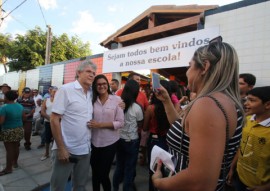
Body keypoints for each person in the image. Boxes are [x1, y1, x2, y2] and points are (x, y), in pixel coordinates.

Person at [152, 36, 244, 191]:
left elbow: (200, 183)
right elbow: (184, 129)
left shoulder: (208, 105)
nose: (187, 72)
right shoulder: (226, 102)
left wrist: (159, 182)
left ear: (205, 67)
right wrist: (167, 101)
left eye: (189, 66)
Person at [50, 60, 96, 191]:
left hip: (85, 150)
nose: (92, 75)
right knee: (58, 187)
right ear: (78, 72)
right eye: (88, 71)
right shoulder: (66, 89)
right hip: (67, 149)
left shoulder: (92, 93)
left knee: (80, 186)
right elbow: (54, 119)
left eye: (93, 73)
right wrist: (61, 148)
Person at [227, 86, 270, 191]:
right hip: (239, 178)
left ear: (267, 104)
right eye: (246, 99)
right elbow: (241, 147)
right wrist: (232, 168)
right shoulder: (247, 120)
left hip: (259, 186)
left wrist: (266, 187)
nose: (246, 103)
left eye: (252, 100)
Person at [88, 74, 124, 191]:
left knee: (103, 174)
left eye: (104, 83)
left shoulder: (117, 100)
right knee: (95, 174)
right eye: (98, 84)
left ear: (107, 85)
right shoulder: (91, 100)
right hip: (93, 142)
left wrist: (100, 125)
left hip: (110, 143)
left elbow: (120, 123)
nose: (101, 86)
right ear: (95, 86)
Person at [113, 79, 144, 191]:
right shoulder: (137, 107)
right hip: (132, 141)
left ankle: (115, 187)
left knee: (119, 166)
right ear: (136, 92)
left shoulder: (119, 104)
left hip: (119, 139)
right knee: (129, 169)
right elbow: (140, 124)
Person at [142, 80, 172, 191]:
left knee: (153, 169)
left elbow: (145, 128)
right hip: (167, 141)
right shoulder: (171, 107)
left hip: (154, 142)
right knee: (166, 169)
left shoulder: (151, 108)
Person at [0, 90, 24, 176]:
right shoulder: (20, 106)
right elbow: (22, 118)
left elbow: (1, 122)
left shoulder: (4, 108)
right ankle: (15, 163)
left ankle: (8, 168)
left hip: (8, 130)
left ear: (6, 97)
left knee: (9, 150)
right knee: (16, 147)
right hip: (19, 129)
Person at [40, 86, 58, 161]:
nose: (54, 93)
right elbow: (42, 112)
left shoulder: (59, 100)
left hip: (57, 122)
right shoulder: (46, 100)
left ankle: (54, 153)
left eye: (56, 91)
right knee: (47, 138)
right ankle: (46, 153)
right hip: (48, 122)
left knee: (56, 138)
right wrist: (50, 119)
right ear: (50, 92)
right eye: (53, 91)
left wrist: (55, 119)